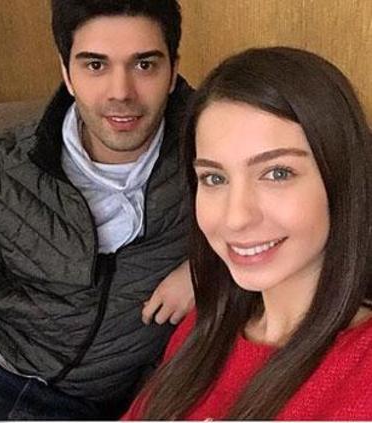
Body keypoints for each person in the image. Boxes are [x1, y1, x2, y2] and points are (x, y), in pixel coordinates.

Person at [0, 0, 194, 419]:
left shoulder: (213, 154)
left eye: (144, 65)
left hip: (86, 405)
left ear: (172, 71)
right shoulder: (2, 169)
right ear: (67, 74)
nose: (121, 92)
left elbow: (293, 224)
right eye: (95, 65)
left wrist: (208, 268)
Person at [125, 46, 372, 420]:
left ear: (341, 178)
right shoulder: (205, 325)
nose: (236, 217)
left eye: (277, 173)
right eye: (214, 178)